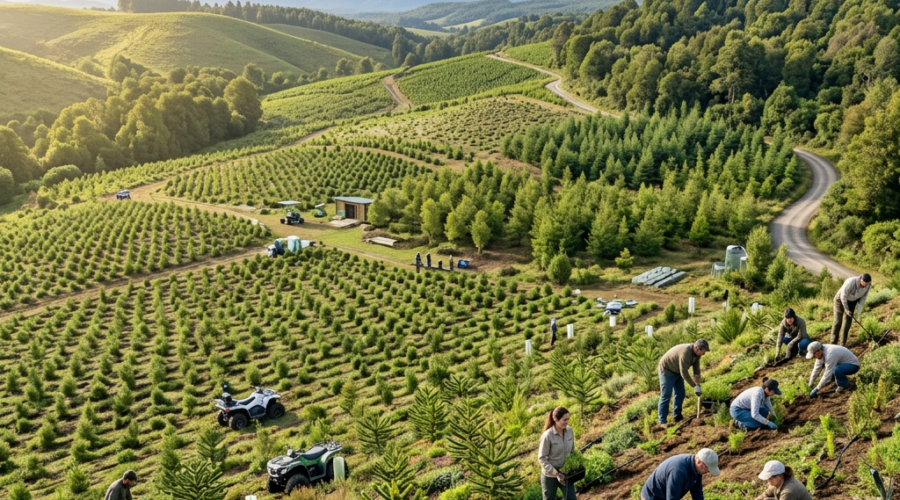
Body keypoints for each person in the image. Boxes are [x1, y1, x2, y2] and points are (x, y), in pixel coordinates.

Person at [657, 339, 710, 424]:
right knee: (666, 395)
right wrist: (694, 386)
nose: (704, 354)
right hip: (667, 370)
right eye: (703, 351)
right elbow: (684, 373)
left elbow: (696, 371)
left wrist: (698, 384)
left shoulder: (697, 355)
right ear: (697, 348)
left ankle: (677, 416)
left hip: (677, 371)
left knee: (680, 393)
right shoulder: (686, 353)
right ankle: (662, 421)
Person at [640, 448, 720, 500]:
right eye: (707, 468)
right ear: (699, 462)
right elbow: (672, 498)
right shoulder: (679, 471)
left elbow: (697, 492)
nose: (708, 471)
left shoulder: (697, 469)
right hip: (652, 497)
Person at [538, 407, 575, 500]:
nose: (567, 422)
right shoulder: (547, 436)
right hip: (549, 475)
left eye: (568, 419)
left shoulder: (569, 431)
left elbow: (572, 451)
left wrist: (574, 465)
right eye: (564, 420)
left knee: (571, 498)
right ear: (555, 419)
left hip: (565, 473)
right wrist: (556, 474)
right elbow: (542, 458)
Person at [832, 273, 872, 345]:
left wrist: (858, 314)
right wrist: (846, 308)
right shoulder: (850, 282)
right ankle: (833, 343)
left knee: (848, 322)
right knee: (838, 321)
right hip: (840, 300)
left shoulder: (868, 286)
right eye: (865, 283)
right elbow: (843, 296)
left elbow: (863, 299)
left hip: (852, 302)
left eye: (867, 284)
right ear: (861, 280)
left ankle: (842, 343)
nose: (866, 285)